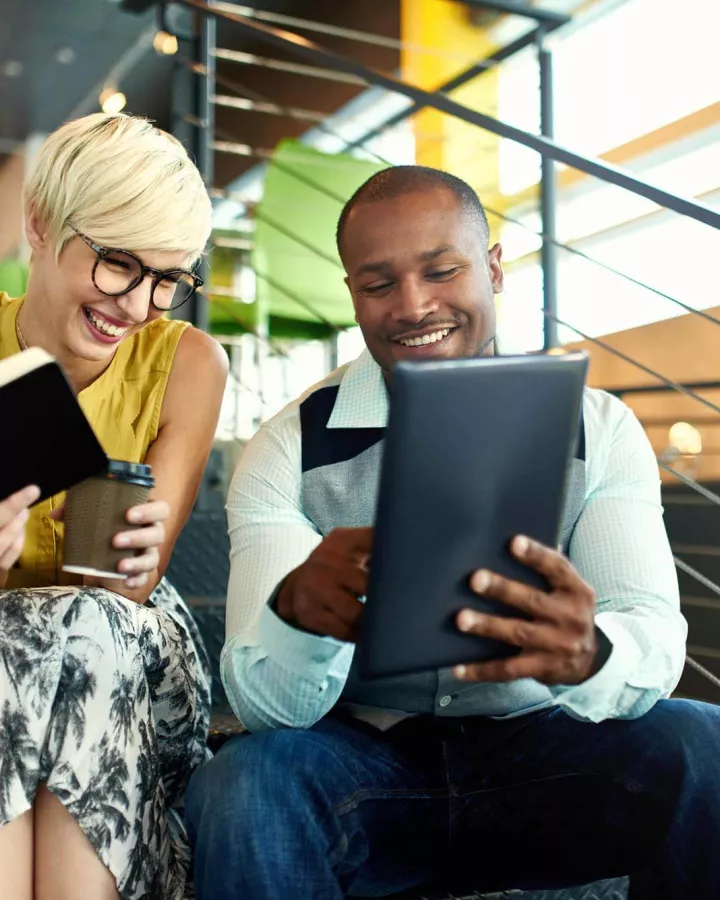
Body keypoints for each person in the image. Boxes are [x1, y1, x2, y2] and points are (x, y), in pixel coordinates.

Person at [186, 166, 720, 899]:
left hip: (548, 753)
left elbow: (654, 637)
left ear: (494, 269)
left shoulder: (598, 430)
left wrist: (591, 653)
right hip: (366, 769)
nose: (413, 306)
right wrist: (299, 617)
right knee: (243, 781)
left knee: (704, 743)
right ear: (352, 295)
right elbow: (265, 709)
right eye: (378, 285)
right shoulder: (288, 449)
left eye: (441, 271)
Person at [0, 113, 228, 900]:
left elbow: (125, 589)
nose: (139, 305)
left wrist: (133, 545)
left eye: (168, 278)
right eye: (119, 265)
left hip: (123, 649)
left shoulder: (187, 361)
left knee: (78, 628)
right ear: (38, 223)